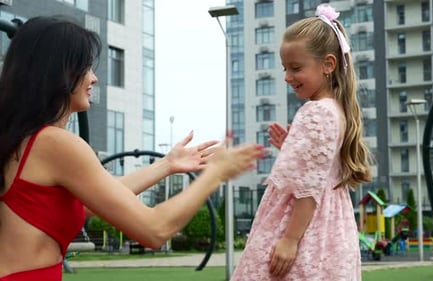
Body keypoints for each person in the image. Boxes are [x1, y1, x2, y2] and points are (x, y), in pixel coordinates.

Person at [0, 16, 265, 281]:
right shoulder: (55, 143)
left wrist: (167, 164)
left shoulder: (22, 140)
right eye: (86, 67)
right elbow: (154, 230)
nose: (94, 78)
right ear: (60, 72)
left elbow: (92, 202)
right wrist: (215, 175)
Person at [232, 4, 372, 280]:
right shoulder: (337, 110)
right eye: (285, 68)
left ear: (328, 64)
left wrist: (289, 239)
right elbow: (319, 169)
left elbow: (308, 188)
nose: (287, 77)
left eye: (296, 68)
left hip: (305, 231)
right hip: (332, 231)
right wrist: (291, 150)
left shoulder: (317, 111)